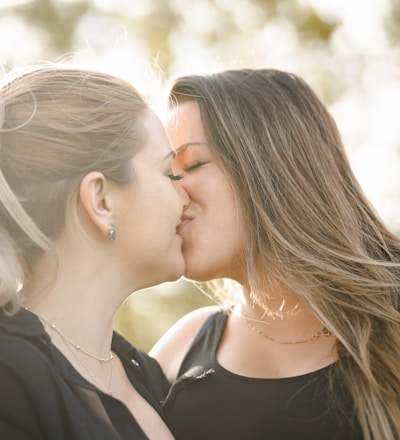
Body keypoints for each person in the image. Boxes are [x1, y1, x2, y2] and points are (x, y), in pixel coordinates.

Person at [150, 68, 400, 440]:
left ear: (270, 164)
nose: (172, 194)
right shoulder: (180, 349)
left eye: (192, 165)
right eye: (167, 176)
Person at [0, 65, 189, 439]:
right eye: (170, 173)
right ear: (100, 200)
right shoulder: (9, 377)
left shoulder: (145, 374)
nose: (185, 197)